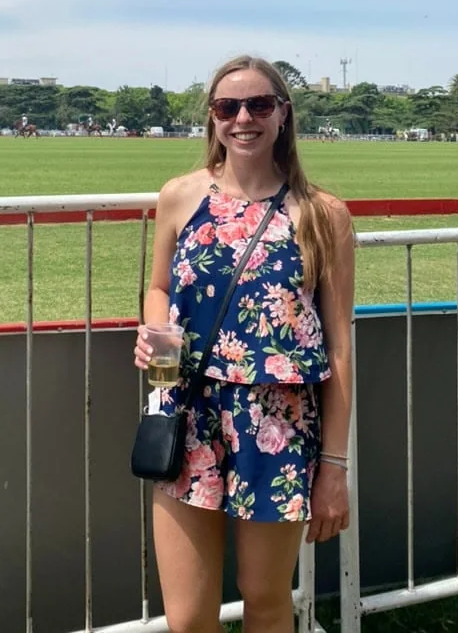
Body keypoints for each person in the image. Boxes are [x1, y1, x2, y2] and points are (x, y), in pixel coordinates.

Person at [133, 54, 354, 633]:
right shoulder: (180, 197)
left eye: (259, 104)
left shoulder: (322, 215)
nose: (243, 119)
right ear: (212, 117)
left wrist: (334, 465)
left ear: (284, 113)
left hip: (277, 424)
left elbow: (339, 347)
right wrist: (160, 352)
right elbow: (158, 290)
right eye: (228, 107)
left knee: (265, 598)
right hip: (188, 413)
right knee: (187, 618)